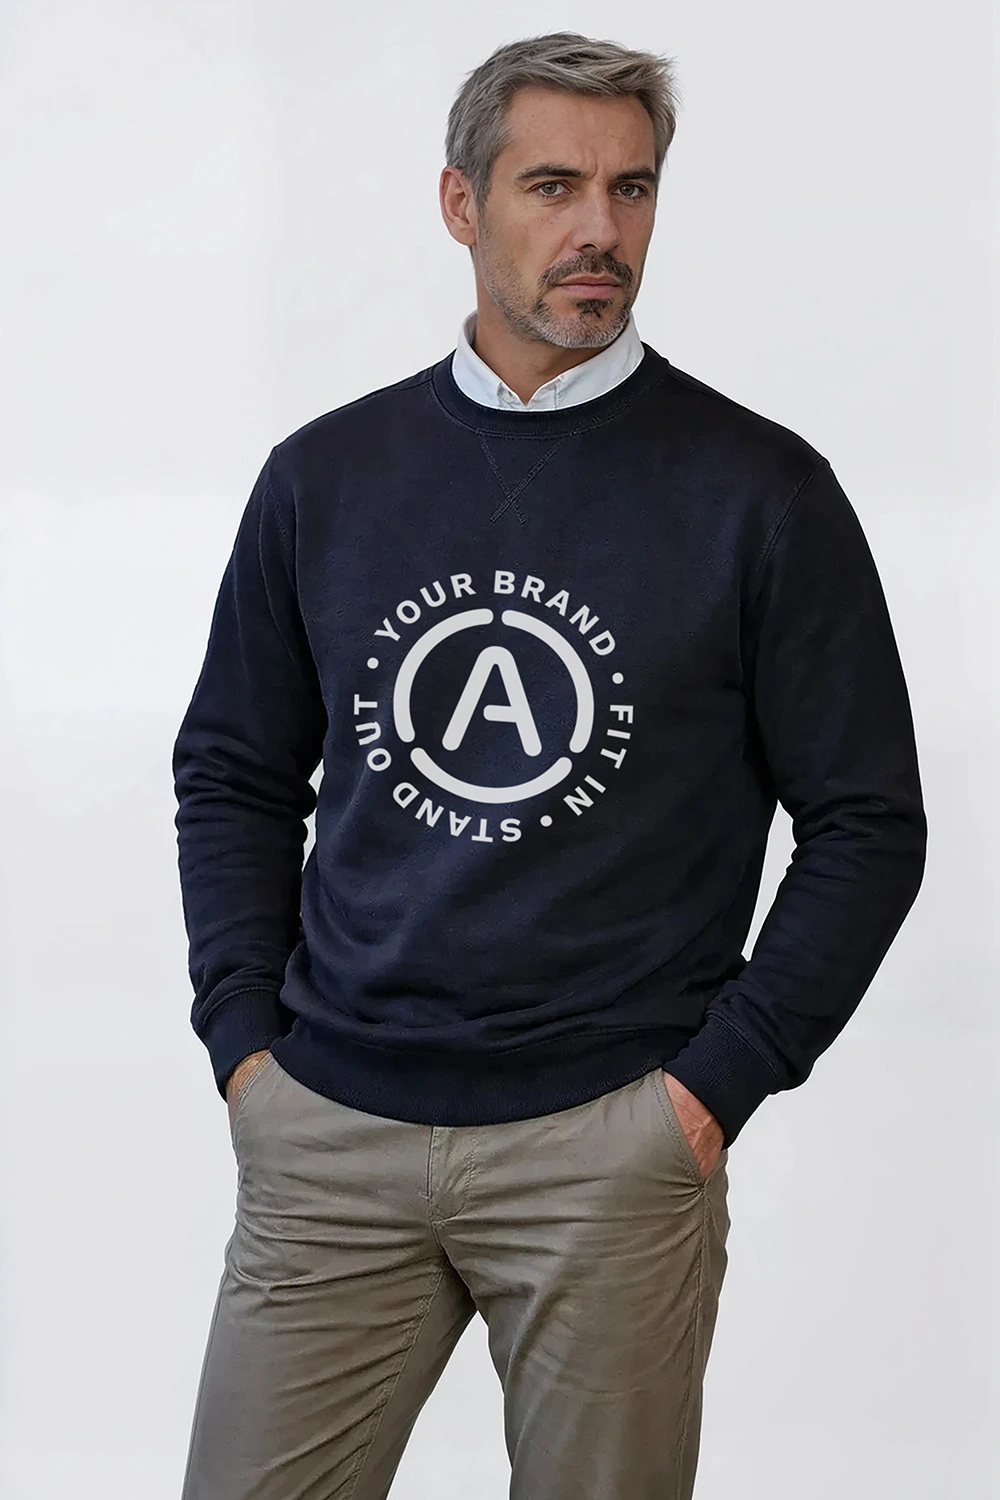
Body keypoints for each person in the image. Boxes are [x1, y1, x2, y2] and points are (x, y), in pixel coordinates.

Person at [172, 30, 927, 1500]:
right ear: (461, 203)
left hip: (611, 1142)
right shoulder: (327, 476)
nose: (600, 230)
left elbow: (866, 824)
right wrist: (245, 1048)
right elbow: (236, 773)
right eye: (554, 186)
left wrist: (711, 1090)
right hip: (330, 1129)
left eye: (631, 189)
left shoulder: (761, 492)